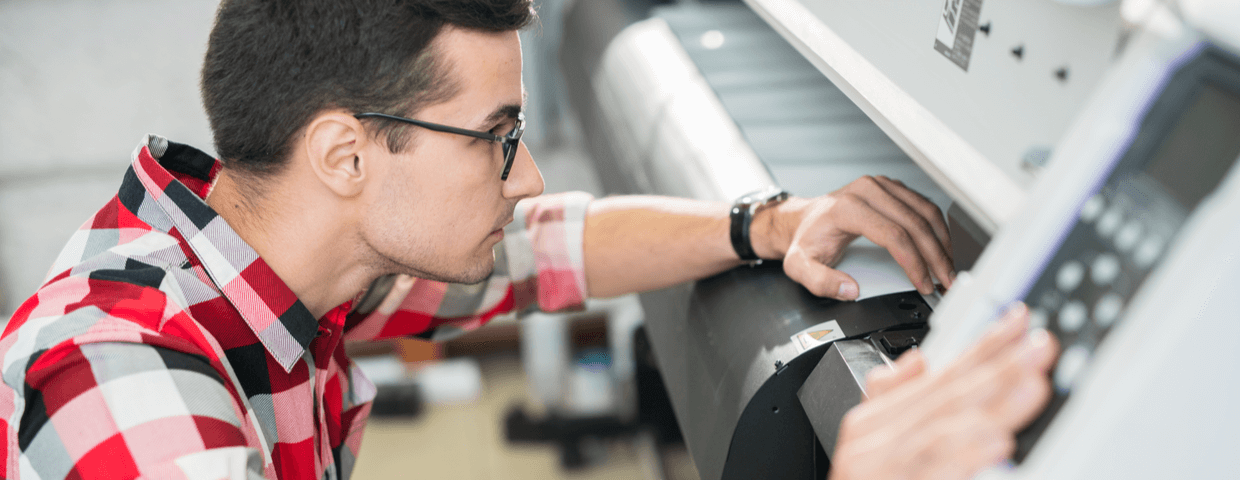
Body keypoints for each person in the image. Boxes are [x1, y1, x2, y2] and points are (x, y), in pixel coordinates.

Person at [0, 1, 1054, 478]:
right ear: (345, 154)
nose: (530, 172)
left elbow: (549, 246)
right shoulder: (124, 388)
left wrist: (765, 224)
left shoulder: (285, 258)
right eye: (498, 139)